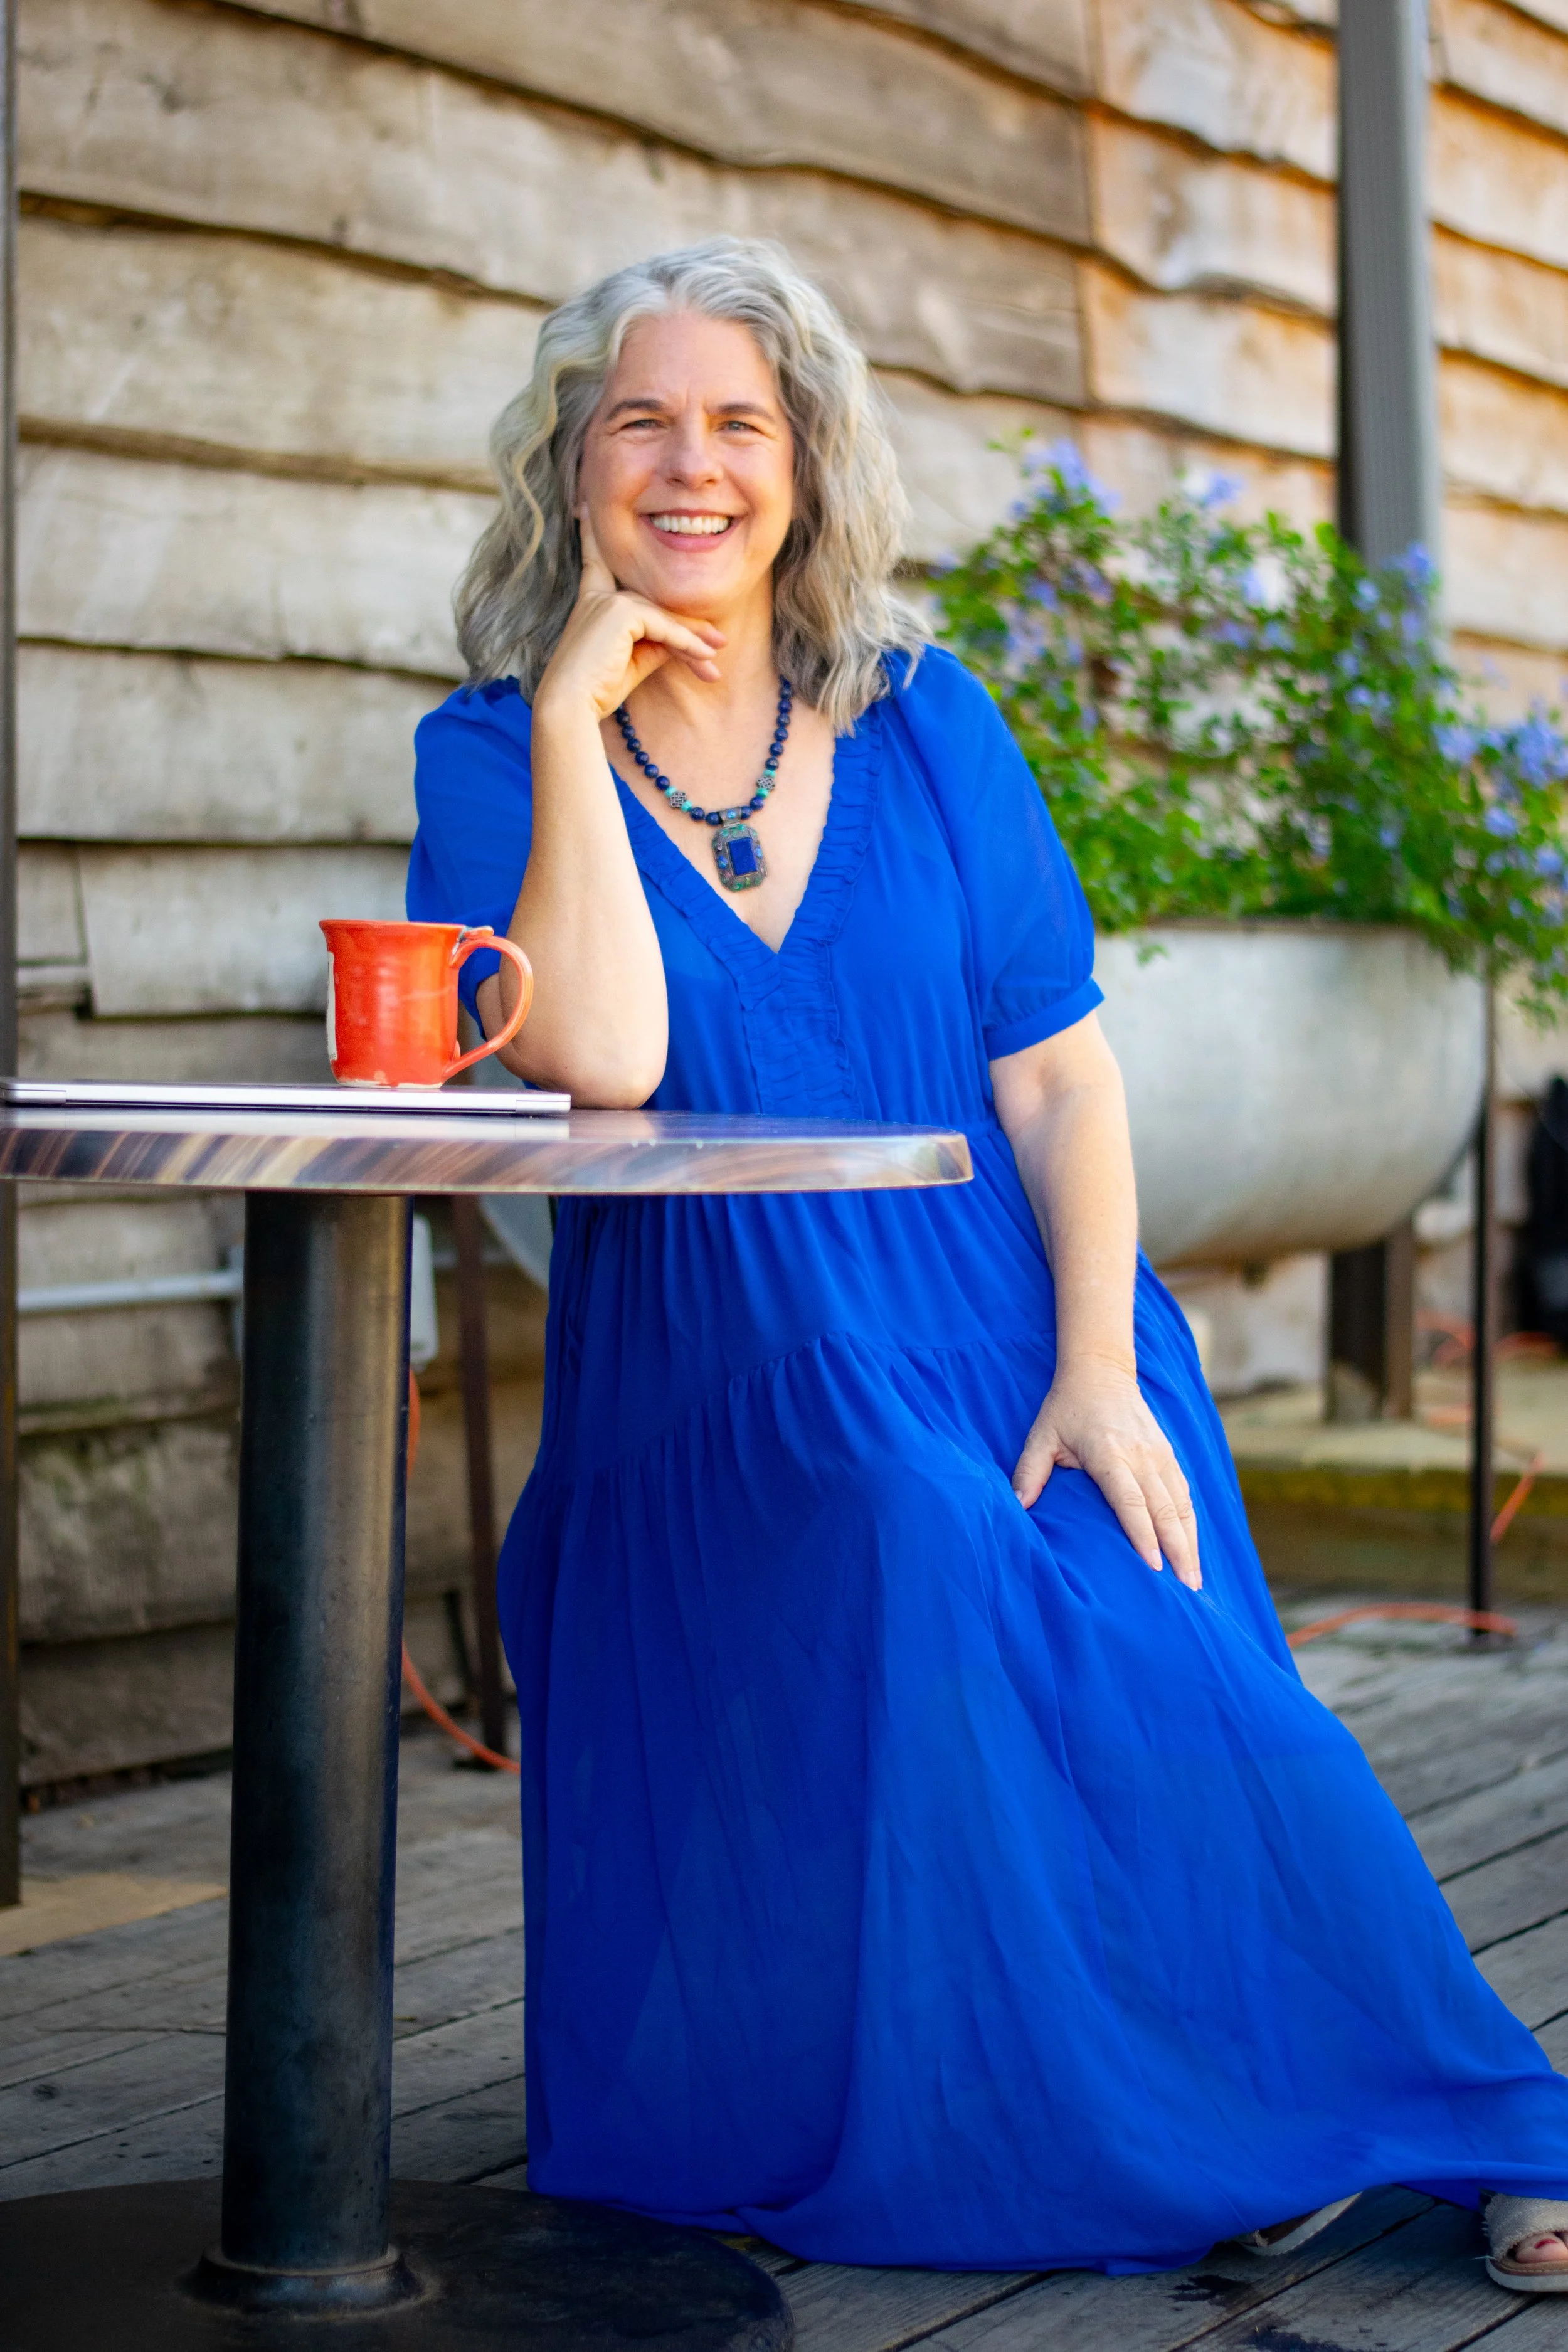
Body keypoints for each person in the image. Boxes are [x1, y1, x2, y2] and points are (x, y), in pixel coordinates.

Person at [408, 237, 1568, 2290]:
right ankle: (1184, 2127)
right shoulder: (488, 758)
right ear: (569, 469)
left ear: (807, 463)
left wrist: (1102, 1362)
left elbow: (1058, 1078)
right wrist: (582, 724)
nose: (692, 465)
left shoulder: (931, 723)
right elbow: (606, 1057)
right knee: (916, 1543)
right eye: (640, 423)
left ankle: (1462, 2105)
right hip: (726, 1368)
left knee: (1187, 1668)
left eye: (737, 423)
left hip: (1020, 1322)